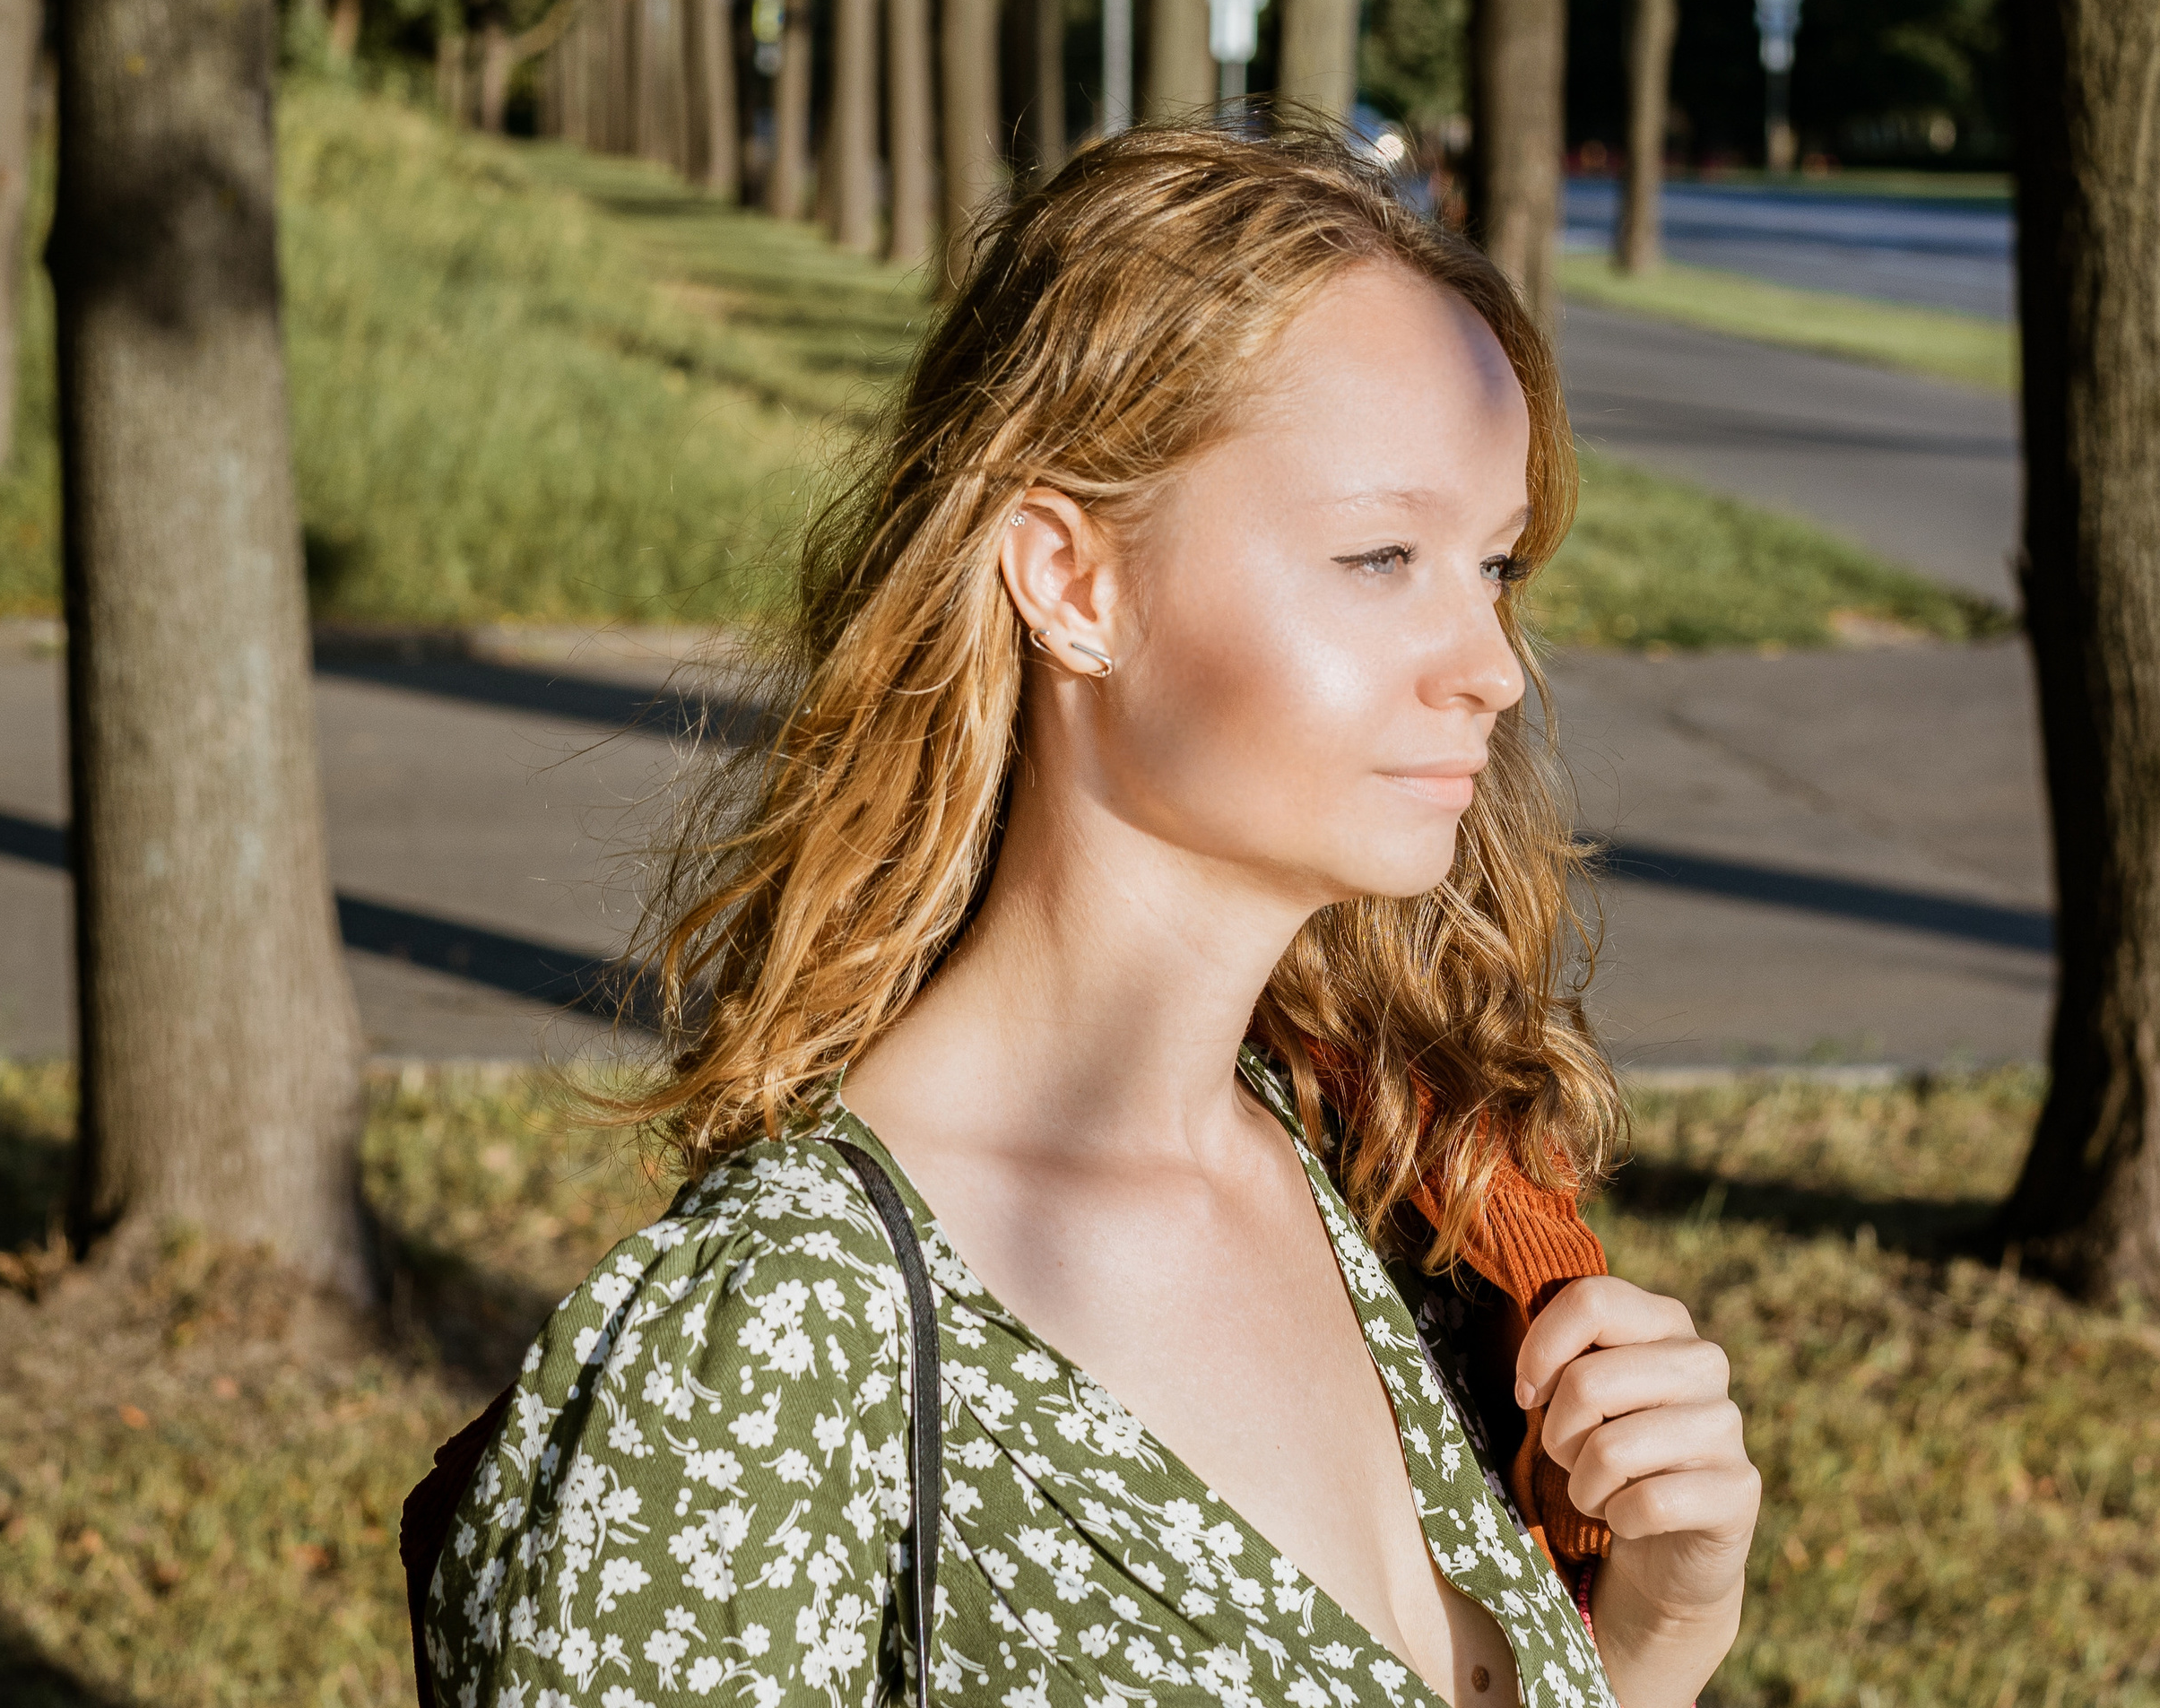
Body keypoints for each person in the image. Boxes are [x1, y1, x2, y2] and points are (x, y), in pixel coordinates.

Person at [423, 124, 1759, 1708]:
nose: (1488, 662)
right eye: (1380, 554)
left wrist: (1654, 1642)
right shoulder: (779, 1343)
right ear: (1069, 580)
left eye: (1491, 565)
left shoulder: (1383, 1186)